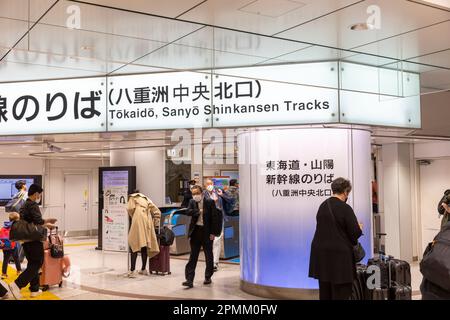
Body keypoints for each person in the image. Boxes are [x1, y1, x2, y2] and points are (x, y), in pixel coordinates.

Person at [309, 177, 363, 300]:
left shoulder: (323, 205)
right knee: (341, 293)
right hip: (340, 259)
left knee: (325, 292)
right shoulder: (345, 208)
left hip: (322, 257)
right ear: (345, 192)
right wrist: (359, 228)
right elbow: (354, 233)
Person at [8, 184, 57, 300]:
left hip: (26, 239)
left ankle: (34, 289)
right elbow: (38, 221)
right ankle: (16, 285)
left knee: (32, 263)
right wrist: (49, 223)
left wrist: (47, 221)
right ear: (36, 194)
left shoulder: (24, 204)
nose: (39, 196)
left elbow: (30, 221)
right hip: (34, 239)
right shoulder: (33, 204)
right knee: (37, 263)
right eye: (39, 194)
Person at [182, 185, 222, 288]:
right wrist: (198, 211)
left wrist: (213, 233)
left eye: (196, 193)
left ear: (201, 193)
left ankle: (208, 277)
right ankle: (189, 280)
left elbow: (214, 218)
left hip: (207, 232)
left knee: (208, 256)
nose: (195, 195)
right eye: (193, 194)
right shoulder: (192, 202)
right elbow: (187, 211)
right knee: (193, 257)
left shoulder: (209, 202)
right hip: (195, 232)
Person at [126, 190, 161, 278]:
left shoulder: (133, 197)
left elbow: (130, 209)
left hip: (138, 219)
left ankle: (132, 270)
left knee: (133, 243)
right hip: (147, 220)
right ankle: (143, 269)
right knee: (144, 245)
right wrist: (156, 223)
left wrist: (133, 216)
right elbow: (157, 212)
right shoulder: (146, 199)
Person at [203, 179, 228, 271]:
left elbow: (229, 200)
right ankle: (209, 262)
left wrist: (222, 195)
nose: (210, 185)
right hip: (208, 220)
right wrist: (212, 201)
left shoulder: (218, 192)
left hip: (218, 219)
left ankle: (215, 263)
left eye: (211, 183)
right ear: (205, 185)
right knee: (209, 241)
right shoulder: (203, 195)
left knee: (217, 240)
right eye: (208, 184)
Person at [1, 212, 22, 279]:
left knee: (5, 260)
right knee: (16, 259)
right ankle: (19, 271)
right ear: (16, 220)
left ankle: (4, 274)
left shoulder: (4, 227)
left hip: (5, 247)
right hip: (13, 246)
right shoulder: (15, 227)